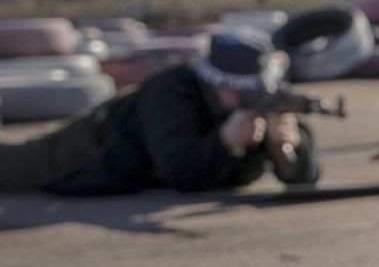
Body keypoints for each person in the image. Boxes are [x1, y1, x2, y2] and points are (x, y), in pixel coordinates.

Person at [0, 31, 319, 196]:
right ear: (213, 82)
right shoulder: (171, 93)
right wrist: (225, 142)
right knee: (15, 165)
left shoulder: (264, 101)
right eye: (237, 91)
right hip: (91, 150)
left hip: (134, 171)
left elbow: (305, 178)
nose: (246, 99)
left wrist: (285, 149)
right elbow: (180, 173)